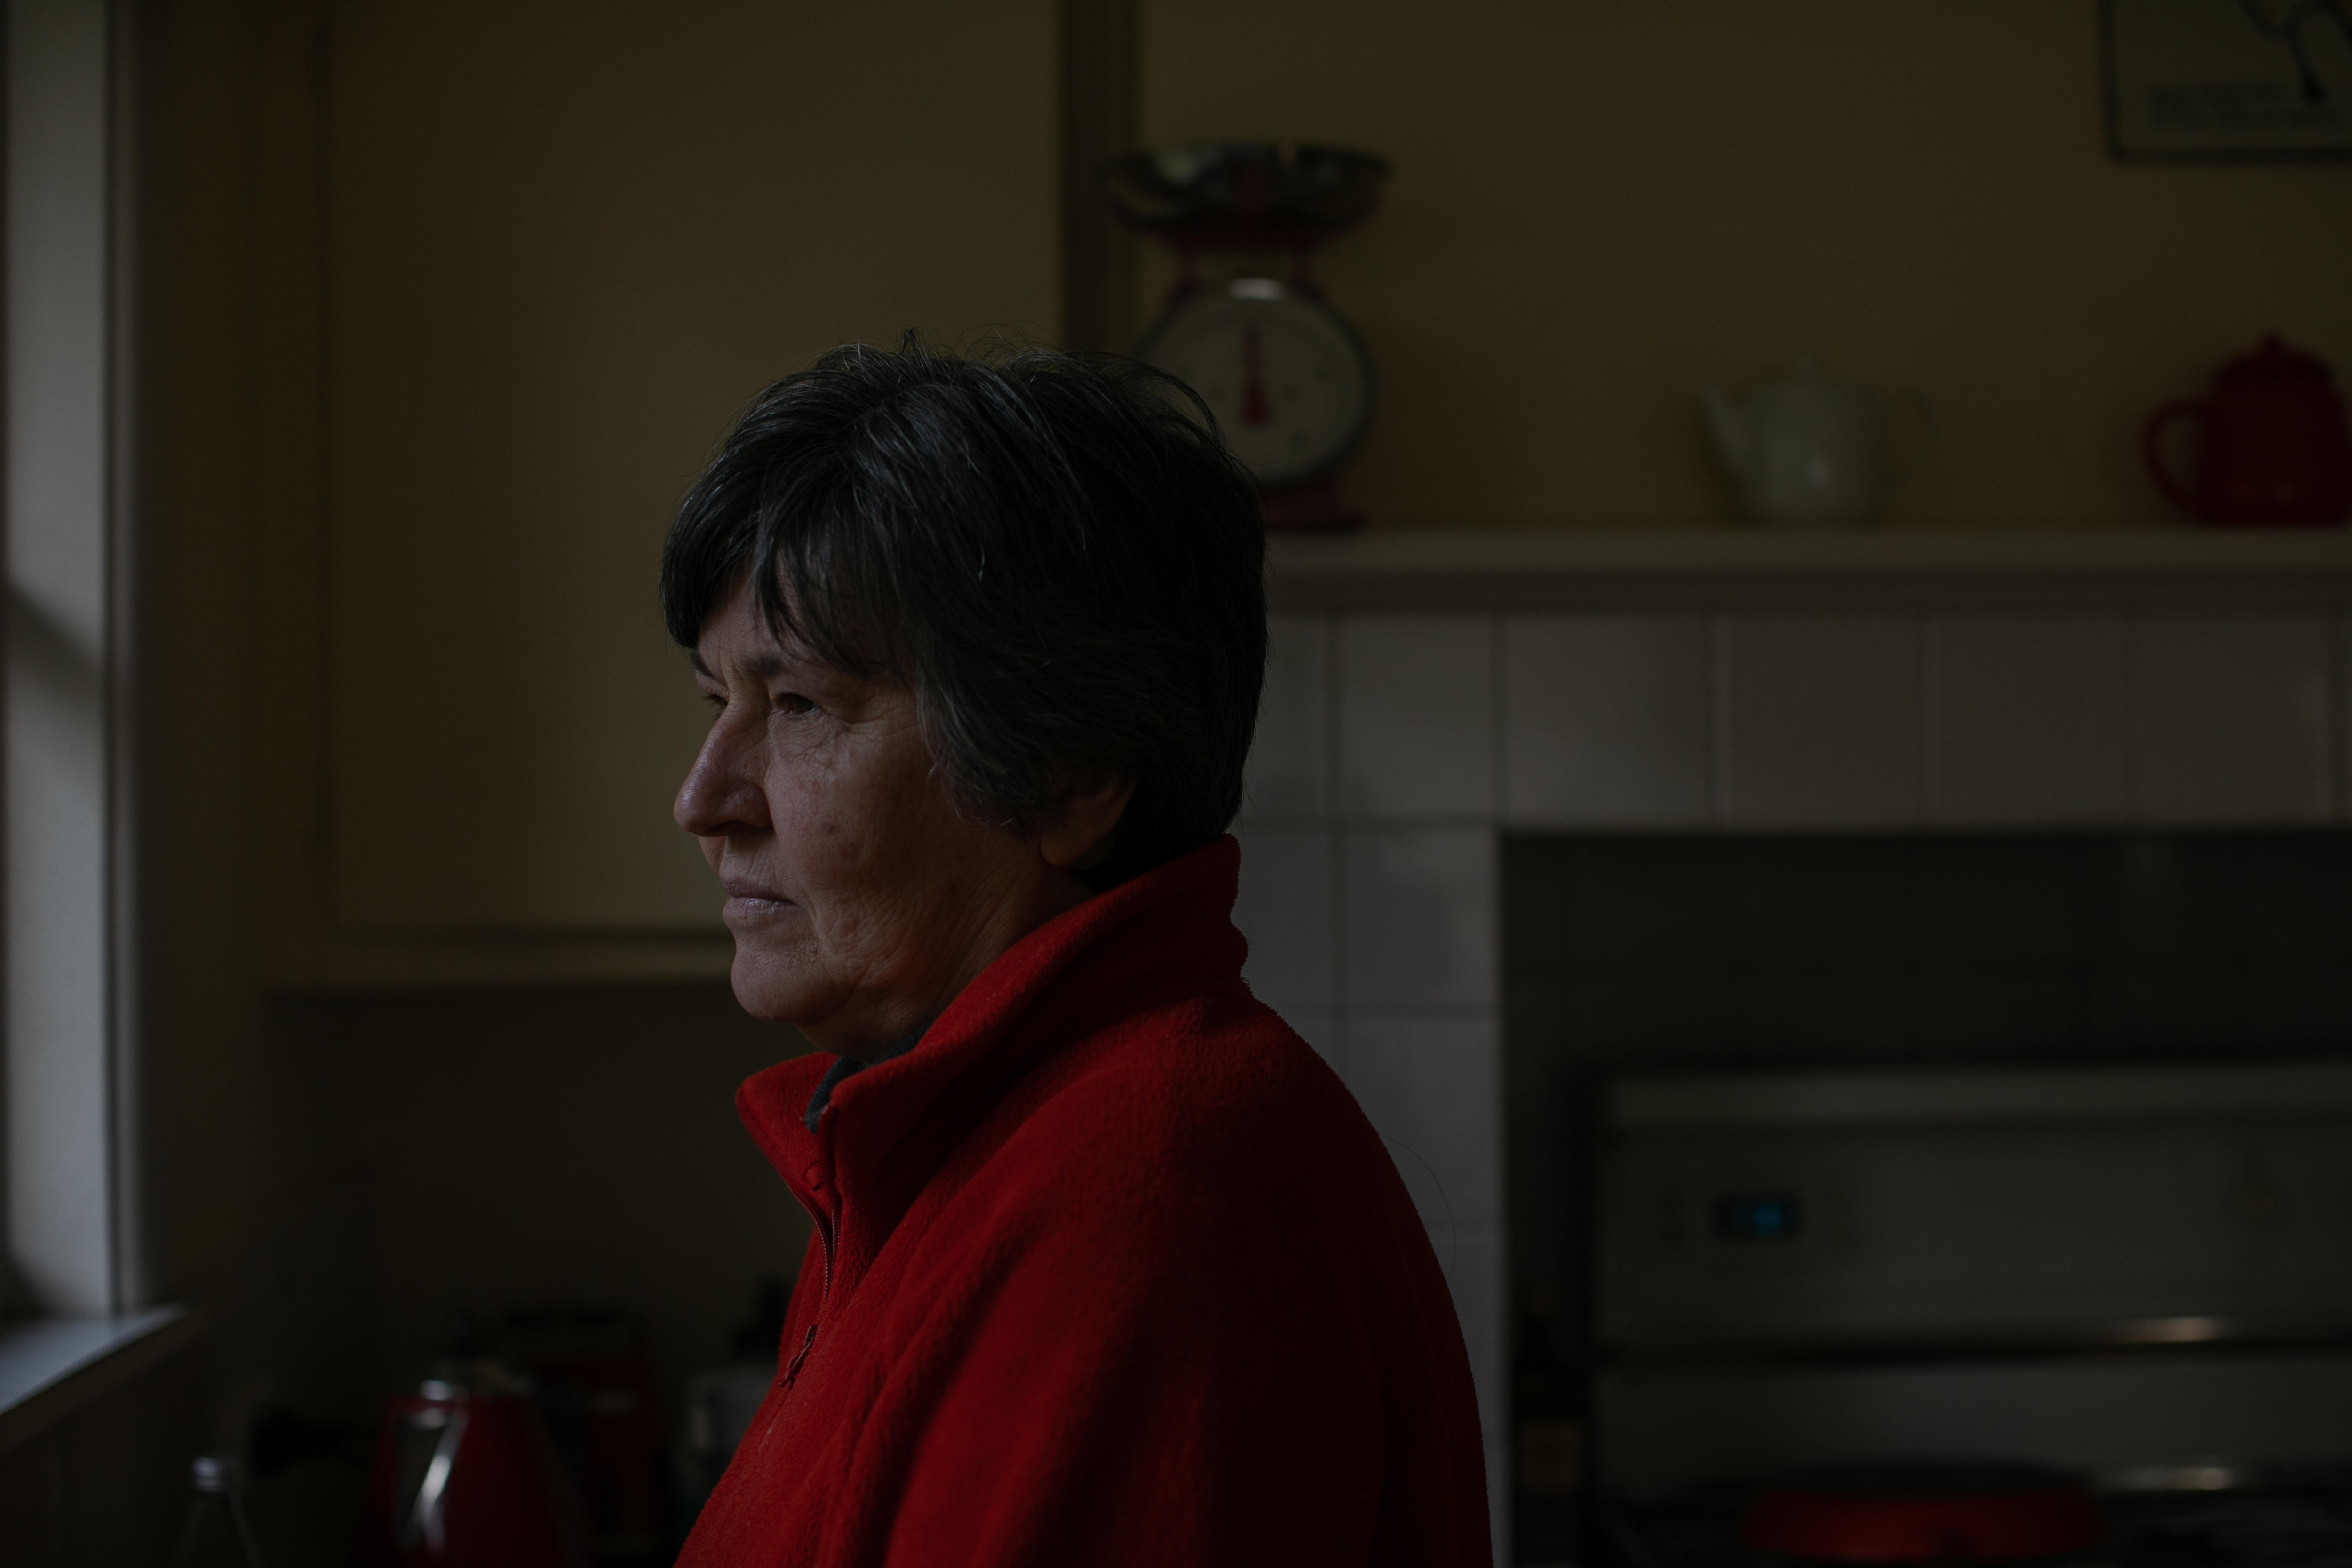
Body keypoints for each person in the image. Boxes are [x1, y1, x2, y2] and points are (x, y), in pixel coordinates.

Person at [662, 337, 1488, 1566]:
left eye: (800, 707)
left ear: (1070, 771)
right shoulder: (946, 1147)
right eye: (714, 703)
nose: (703, 799)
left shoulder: (1144, 1191)